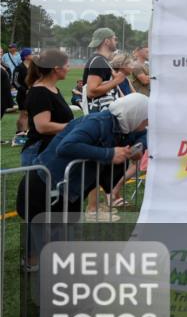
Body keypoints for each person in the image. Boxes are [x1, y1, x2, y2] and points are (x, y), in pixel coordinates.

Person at [17, 94, 148, 223]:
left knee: (64, 238)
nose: (147, 123)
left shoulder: (125, 125)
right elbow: (66, 147)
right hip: (45, 186)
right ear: (135, 115)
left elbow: (144, 135)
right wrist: (109, 154)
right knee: (42, 239)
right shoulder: (97, 122)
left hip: (70, 190)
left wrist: (138, 147)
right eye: (145, 119)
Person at [21, 49, 73, 167]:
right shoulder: (40, 92)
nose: (68, 69)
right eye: (67, 65)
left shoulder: (52, 89)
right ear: (56, 68)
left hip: (50, 149)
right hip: (39, 153)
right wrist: (73, 126)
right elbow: (43, 127)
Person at [83, 27, 125, 112]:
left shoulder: (102, 61)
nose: (116, 42)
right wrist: (116, 81)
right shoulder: (98, 61)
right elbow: (91, 92)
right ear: (107, 41)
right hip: (100, 118)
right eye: (114, 39)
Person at [12, 48, 33, 143]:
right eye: (31, 54)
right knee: (23, 114)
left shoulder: (33, 67)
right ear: (26, 56)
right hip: (22, 95)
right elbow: (15, 82)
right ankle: (22, 133)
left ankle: (25, 132)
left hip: (32, 94)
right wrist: (24, 90)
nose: (33, 55)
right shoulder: (19, 67)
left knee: (28, 114)